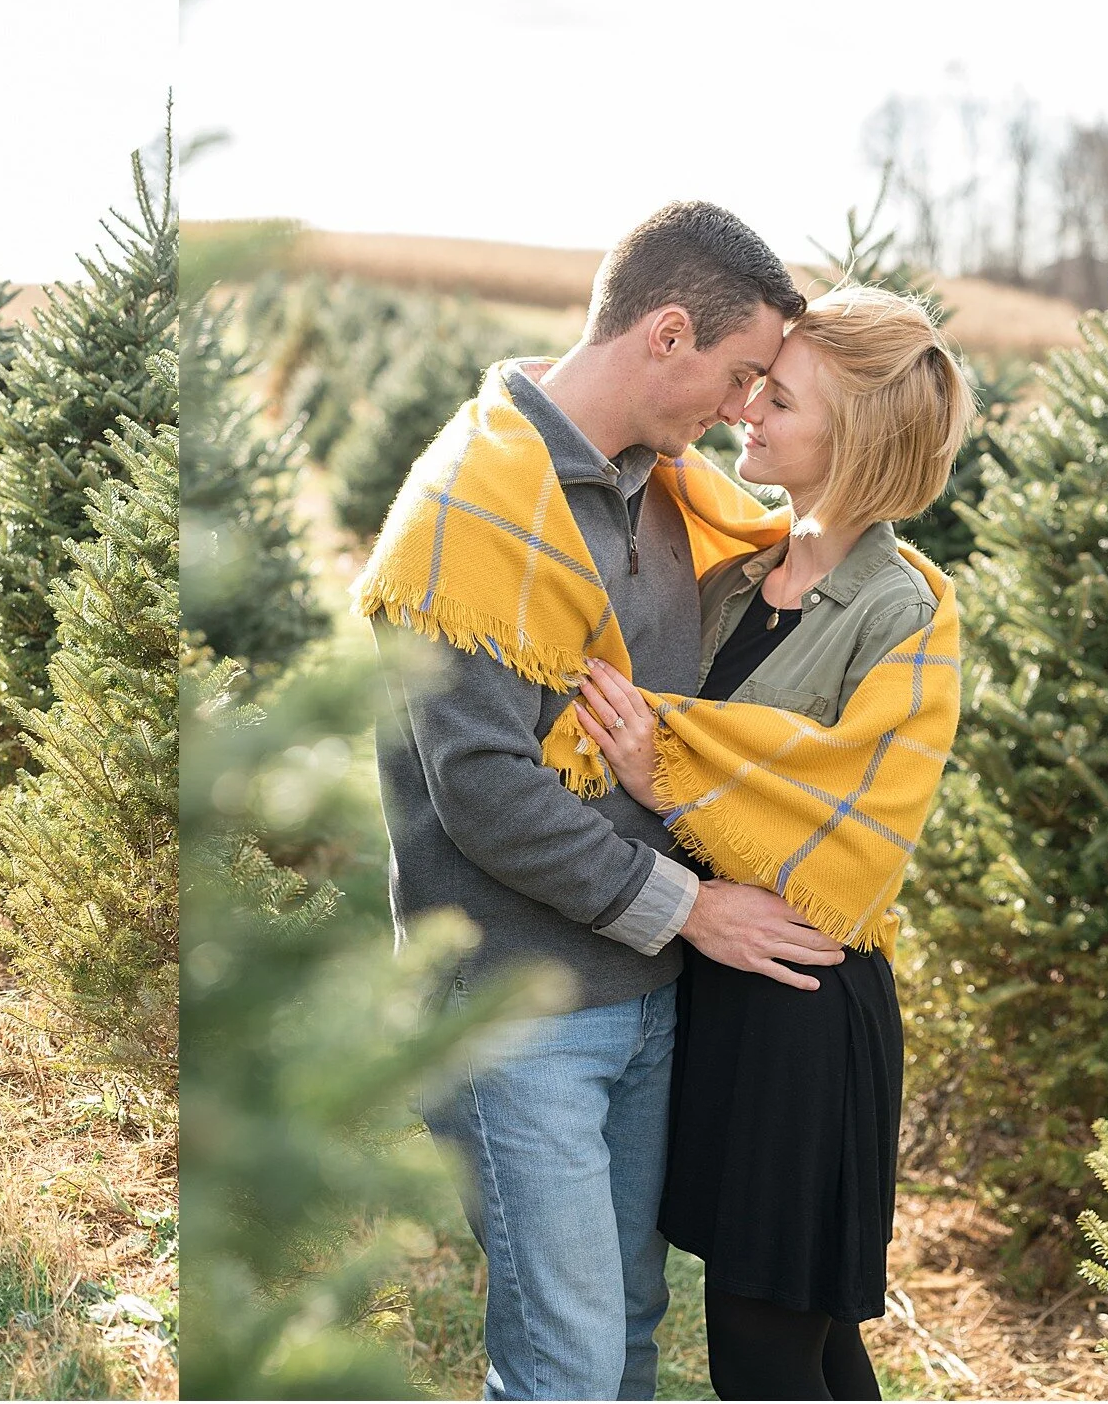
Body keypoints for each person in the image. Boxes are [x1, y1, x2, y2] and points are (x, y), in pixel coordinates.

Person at [356, 202, 852, 1402]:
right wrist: (692, 910)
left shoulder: (664, 494)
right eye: (739, 376)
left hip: (644, 1001)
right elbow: (482, 790)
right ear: (666, 334)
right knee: (562, 1360)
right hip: (514, 1011)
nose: (742, 410)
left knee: (624, 1328)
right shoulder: (467, 506)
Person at [570, 284, 975, 1400]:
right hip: (716, 986)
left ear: (852, 440)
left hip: (803, 1004)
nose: (745, 408)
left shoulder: (899, 612)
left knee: (764, 1347)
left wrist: (672, 774)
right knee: (799, 1342)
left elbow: (855, 834)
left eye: (776, 397)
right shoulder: (733, 579)